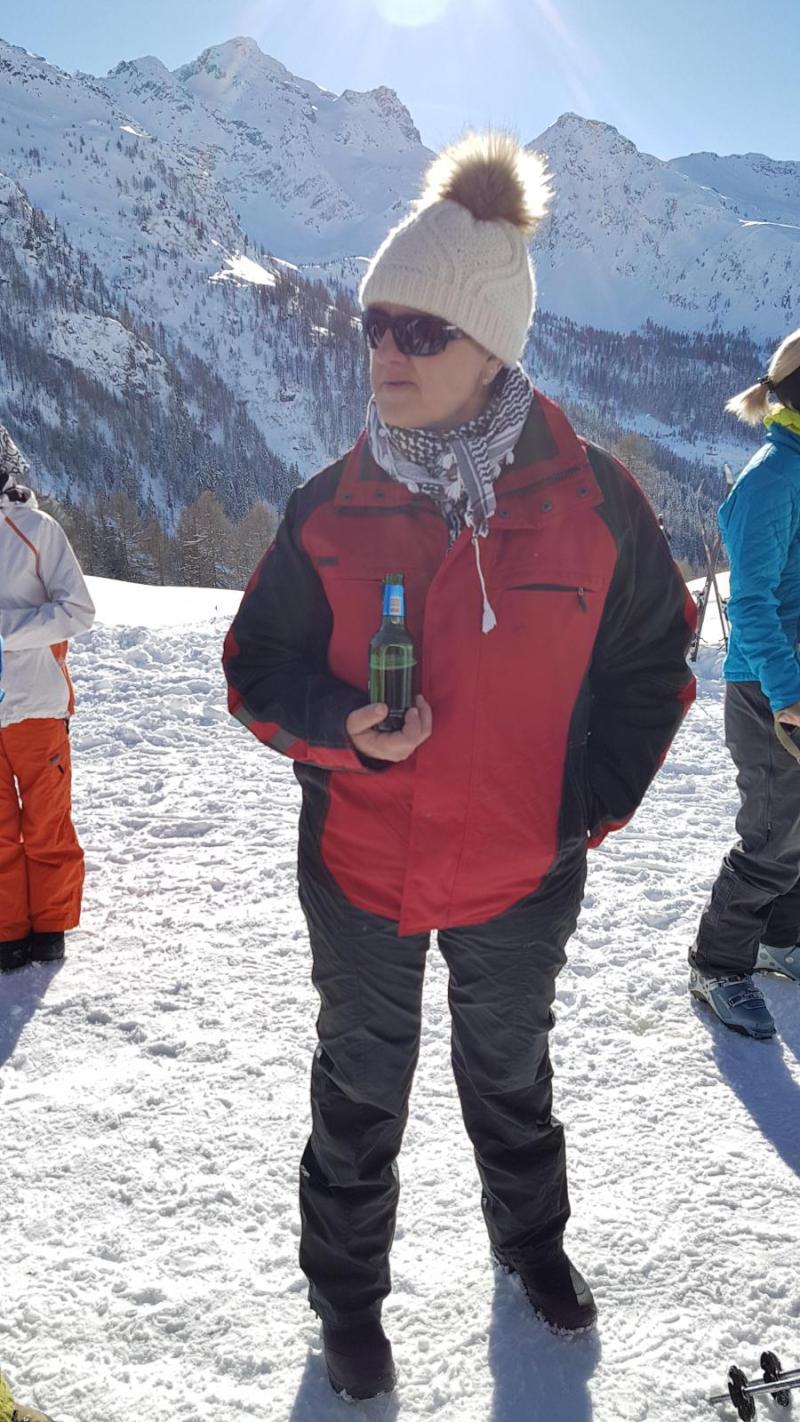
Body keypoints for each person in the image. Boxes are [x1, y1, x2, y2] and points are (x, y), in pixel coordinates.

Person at [223, 132, 695, 1399]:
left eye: (420, 331)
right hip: (361, 869)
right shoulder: (328, 507)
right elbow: (253, 668)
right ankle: (347, 1302)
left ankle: (530, 1247)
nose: (385, 352)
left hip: (520, 875)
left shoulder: (593, 505)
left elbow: (654, 661)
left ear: (491, 346)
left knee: (510, 1078)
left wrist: (578, 812)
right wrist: (338, 728)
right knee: (357, 1094)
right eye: (374, 324)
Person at [690, 329, 800, 1038]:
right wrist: (788, 694)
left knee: (797, 828)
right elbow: (752, 602)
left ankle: (778, 940)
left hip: (789, 682)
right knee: (772, 832)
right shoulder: (772, 477)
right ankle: (717, 965)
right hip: (769, 691)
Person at [0, 424, 94, 973]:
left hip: (36, 706)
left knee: (45, 826)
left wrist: (6, 632)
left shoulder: (36, 529)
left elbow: (77, 611)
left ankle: (49, 928)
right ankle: (7, 932)